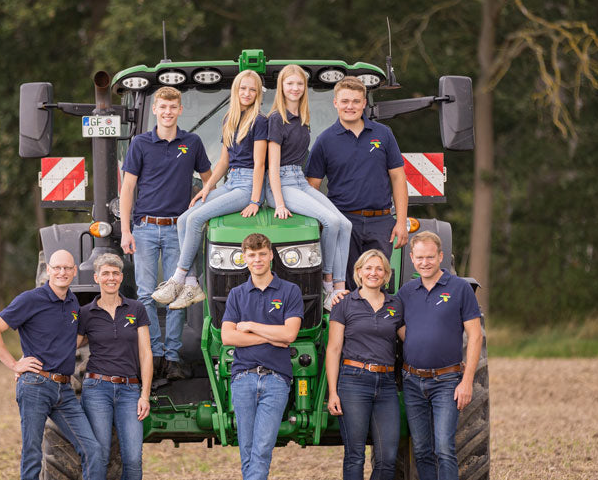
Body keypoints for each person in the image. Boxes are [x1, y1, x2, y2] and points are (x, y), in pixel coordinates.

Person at [0, 249, 110, 480]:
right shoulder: (31, 299)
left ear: (75, 272)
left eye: (67, 268)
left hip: (63, 389)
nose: (62, 273)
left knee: (92, 448)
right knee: (32, 454)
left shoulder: (73, 302)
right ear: (48, 270)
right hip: (36, 386)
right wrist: (15, 363)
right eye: (57, 268)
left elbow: (70, 339)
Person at [152, 70, 268, 311]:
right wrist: (206, 188)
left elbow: (259, 163)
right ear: (235, 91)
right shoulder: (229, 118)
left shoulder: (260, 121)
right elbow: (224, 162)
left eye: (252, 89)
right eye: (242, 88)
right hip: (230, 182)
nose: (246, 93)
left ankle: (178, 278)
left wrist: (255, 200)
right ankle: (193, 283)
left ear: (258, 94)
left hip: (247, 185)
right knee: (185, 218)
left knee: (195, 219)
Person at [120, 86, 212, 381]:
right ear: (155, 110)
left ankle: (172, 358)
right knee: (146, 294)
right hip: (145, 227)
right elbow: (128, 188)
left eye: (173, 107)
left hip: (178, 229)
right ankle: (154, 353)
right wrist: (125, 231)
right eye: (163, 107)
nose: (168, 112)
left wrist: (200, 207)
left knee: (178, 295)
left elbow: (209, 181)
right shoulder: (140, 144)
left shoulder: (192, 143)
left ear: (180, 110)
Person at [396, 231, 482, 480]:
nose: (425, 262)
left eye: (430, 257)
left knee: (444, 446)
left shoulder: (459, 289)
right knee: (421, 450)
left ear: (441, 256)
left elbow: (475, 335)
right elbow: (398, 326)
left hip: (447, 381)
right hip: (413, 380)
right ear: (412, 259)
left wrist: (467, 380)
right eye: (419, 258)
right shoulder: (407, 291)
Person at [221, 232, 303, 480]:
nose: (257, 260)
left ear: (271, 256)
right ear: (245, 258)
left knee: (263, 448)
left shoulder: (290, 291)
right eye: (251, 255)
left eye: (262, 254)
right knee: (248, 449)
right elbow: (228, 337)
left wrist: (252, 327)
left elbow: (290, 336)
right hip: (242, 377)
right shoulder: (236, 295)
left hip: (276, 380)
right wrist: (272, 334)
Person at [305, 76, 408, 290]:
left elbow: (398, 177)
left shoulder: (383, 134)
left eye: (355, 101)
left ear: (364, 103)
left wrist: (401, 222)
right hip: (344, 221)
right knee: (347, 285)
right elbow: (311, 187)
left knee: (377, 281)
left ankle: (377, 322)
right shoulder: (325, 140)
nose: (349, 106)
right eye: (344, 101)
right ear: (335, 103)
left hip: (381, 222)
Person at [325, 249, 403, 480]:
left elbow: (410, 340)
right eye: (368, 268)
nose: (374, 273)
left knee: (387, 457)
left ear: (386, 275)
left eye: (379, 269)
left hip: (385, 385)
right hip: (353, 381)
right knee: (355, 454)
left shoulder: (396, 305)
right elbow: (333, 349)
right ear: (358, 272)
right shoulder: (344, 304)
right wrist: (333, 392)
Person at [263, 64, 352, 310]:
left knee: (345, 224)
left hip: (299, 180)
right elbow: (272, 165)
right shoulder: (276, 120)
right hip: (280, 183)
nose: (295, 88)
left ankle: (340, 287)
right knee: (330, 222)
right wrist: (279, 202)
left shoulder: (303, 119)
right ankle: (326, 283)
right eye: (290, 83)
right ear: (281, 87)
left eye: (299, 84)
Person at [77, 253, 154, 480]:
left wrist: (144, 394)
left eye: (116, 273)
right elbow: (66, 347)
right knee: (98, 454)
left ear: (122, 278)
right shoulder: (86, 313)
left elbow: (146, 354)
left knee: (132, 458)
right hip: (97, 388)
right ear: (96, 278)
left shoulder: (136, 309)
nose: (111, 278)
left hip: (130, 390)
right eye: (105, 273)